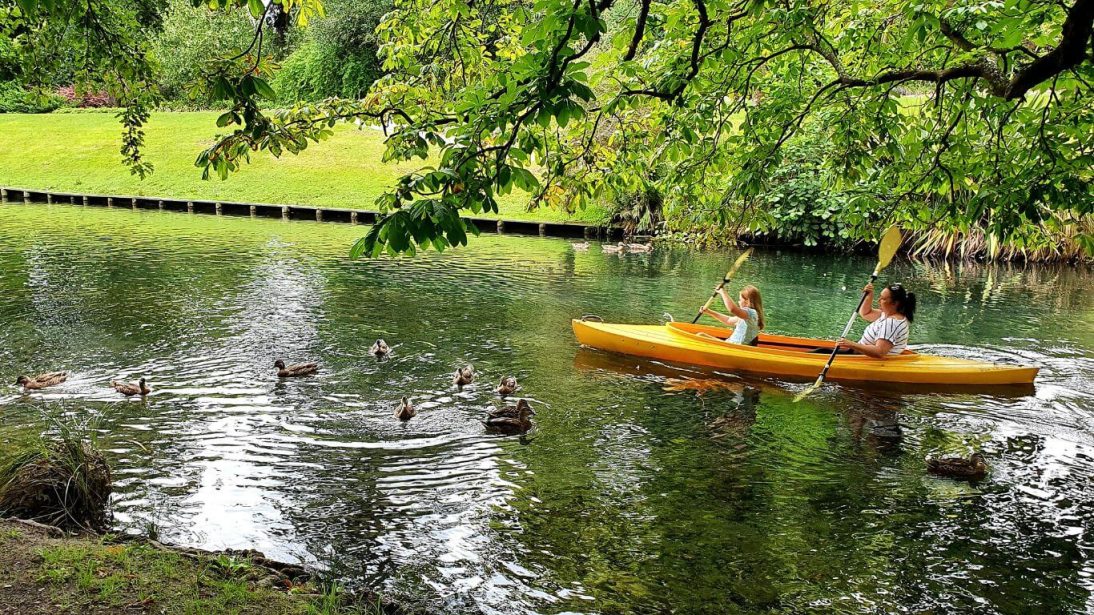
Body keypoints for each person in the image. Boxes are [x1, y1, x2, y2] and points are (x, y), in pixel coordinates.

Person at [837, 282, 916, 357]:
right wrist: (869, 296)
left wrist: (851, 344)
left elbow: (879, 352)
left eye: (883, 299)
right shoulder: (886, 314)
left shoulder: (891, 323)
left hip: (865, 359)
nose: (878, 301)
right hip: (856, 353)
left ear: (895, 303)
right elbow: (866, 313)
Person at [700, 285, 765, 346]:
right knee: (701, 335)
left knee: (700, 336)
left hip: (733, 347)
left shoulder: (751, 313)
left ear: (747, 301)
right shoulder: (746, 316)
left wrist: (722, 292)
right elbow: (728, 320)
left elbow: (732, 309)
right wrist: (709, 312)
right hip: (729, 344)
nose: (738, 302)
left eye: (740, 299)